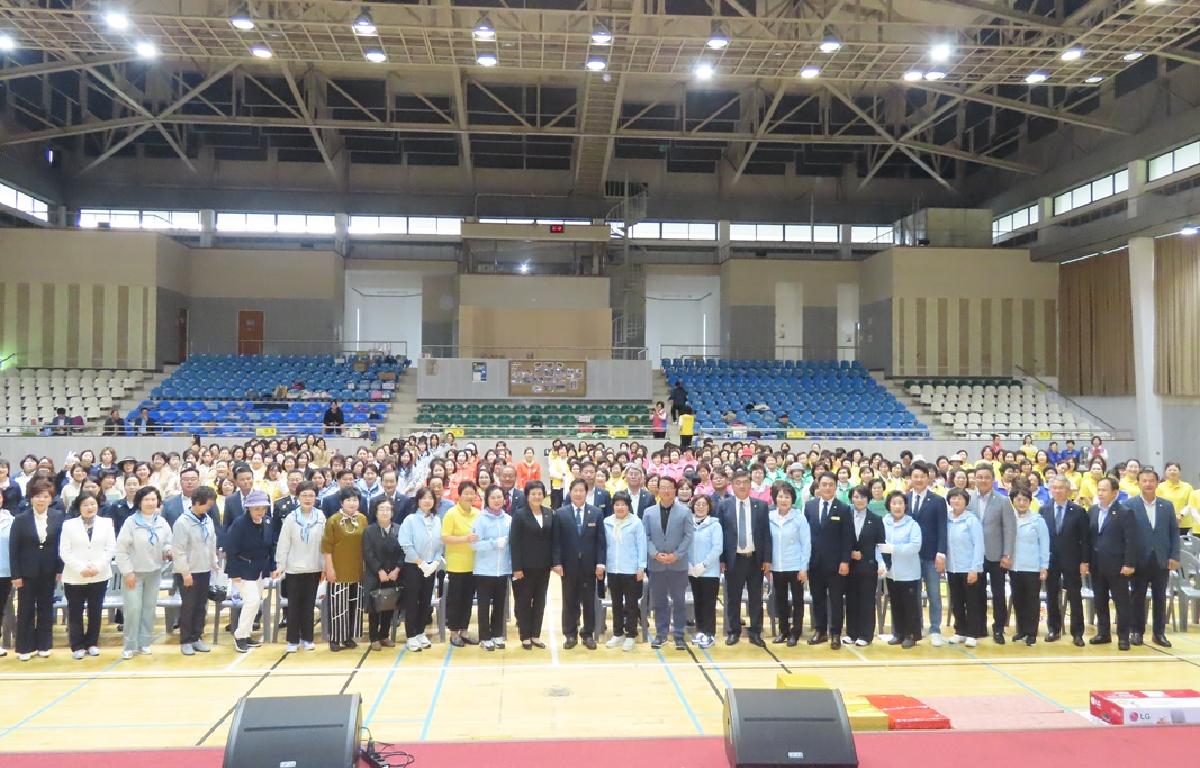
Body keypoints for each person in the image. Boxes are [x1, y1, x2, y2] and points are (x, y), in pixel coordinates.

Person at [9, 478, 66, 660]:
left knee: (45, 608)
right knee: (25, 609)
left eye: (45, 496)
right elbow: (14, 548)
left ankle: (44, 645)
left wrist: (59, 569)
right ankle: (24, 648)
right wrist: (16, 574)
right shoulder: (20, 519)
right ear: (31, 498)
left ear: (51, 498)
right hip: (26, 573)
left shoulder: (58, 516)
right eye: (37, 496)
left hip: (49, 571)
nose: (41, 500)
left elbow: (60, 545)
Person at [114, 486, 172, 659]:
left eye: (153, 499)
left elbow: (168, 542)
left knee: (149, 609)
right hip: (134, 573)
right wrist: (128, 572)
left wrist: (168, 551)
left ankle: (144, 643)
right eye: (146, 499)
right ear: (139, 502)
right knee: (133, 609)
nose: (150, 503)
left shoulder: (162, 522)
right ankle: (129, 645)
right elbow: (121, 550)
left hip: (154, 572)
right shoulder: (131, 522)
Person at [59, 491, 116, 659]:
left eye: (93, 504)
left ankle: (92, 643)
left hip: (99, 575)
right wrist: (81, 568)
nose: (89, 507)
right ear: (79, 507)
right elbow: (64, 551)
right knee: (75, 611)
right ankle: (77, 645)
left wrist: (97, 566)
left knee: (95, 610)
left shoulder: (107, 523)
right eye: (85, 504)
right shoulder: (69, 525)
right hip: (75, 576)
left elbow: (111, 548)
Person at [1127, 468, 1180, 647]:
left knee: (1160, 597)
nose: (1148, 484)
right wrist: (1128, 560)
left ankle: (1159, 633)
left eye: (1151, 481)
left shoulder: (1167, 505)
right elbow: (1126, 535)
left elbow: (1174, 532)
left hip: (1161, 559)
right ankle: (1137, 632)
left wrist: (1174, 555)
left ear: (1158, 483)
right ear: (1139, 483)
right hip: (1139, 560)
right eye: (1144, 481)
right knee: (1137, 597)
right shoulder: (1130, 505)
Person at [718, 469, 771, 646]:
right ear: (732, 486)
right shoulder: (724, 506)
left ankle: (755, 632)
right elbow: (721, 535)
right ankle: (734, 631)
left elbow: (765, 534)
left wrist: (767, 559)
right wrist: (722, 559)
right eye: (738, 483)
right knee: (733, 597)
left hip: (755, 559)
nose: (742, 486)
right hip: (734, 559)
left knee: (756, 598)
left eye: (745, 482)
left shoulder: (761, 506)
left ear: (750, 485)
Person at [553, 478, 605, 649]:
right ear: (570, 492)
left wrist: (600, 564)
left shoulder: (596, 513)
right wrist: (557, 563)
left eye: (581, 490)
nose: (578, 493)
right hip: (568, 566)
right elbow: (557, 542)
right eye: (575, 490)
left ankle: (588, 633)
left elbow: (600, 542)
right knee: (569, 601)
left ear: (586, 492)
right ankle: (570, 634)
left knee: (589, 601)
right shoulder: (561, 513)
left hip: (590, 566)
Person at [274, 480, 325, 652]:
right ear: (298, 497)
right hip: (293, 568)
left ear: (316, 498)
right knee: (294, 606)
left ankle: (308, 638)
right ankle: (293, 640)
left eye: (311, 495)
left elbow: (324, 544)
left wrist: (324, 566)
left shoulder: (321, 517)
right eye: (304, 495)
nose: (307, 498)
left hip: (314, 568)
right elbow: (283, 543)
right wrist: (280, 565)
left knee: (309, 606)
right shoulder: (290, 518)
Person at [804, 471, 853, 649]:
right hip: (815, 563)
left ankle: (835, 633)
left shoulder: (844, 508)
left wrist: (845, 561)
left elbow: (848, 538)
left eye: (830, 485)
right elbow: (805, 535)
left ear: (835, 486)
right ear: (819, 486)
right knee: (817, 598)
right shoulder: (809, 506)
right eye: (824, 484)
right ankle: (820, 631)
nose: (827, 488)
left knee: (836, 600)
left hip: (836, 564)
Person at [1089, 476, 1139, 651]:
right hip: (1097, 565)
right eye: (1099, 489)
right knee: (1100, 601)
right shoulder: (1093, 510)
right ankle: (1103, 633)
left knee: (1121, 603)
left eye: (1104, 490)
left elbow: (1131, 541)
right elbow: (1091, 538)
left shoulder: (1125, 512)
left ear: (1115, 493)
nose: (1100, 493)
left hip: (1118, 566)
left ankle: (1124, 637)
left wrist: (1129, 563)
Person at [644, 475, 693, 651]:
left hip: (677, 564)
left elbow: (689, 535)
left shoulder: (685, 512)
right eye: (662, 487)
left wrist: (676, 555)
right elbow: (646, 536)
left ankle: (679, 635)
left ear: (674, 490)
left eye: (669, 487)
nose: (665, 491)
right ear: (658, 490)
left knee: (679, 601)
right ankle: (661, 634)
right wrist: (655, 554)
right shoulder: (648, 512)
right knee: (659, 602)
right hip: (656, 564)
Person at [968, 464, 1015, 645]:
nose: (983, 480)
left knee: (998, 594)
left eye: (986, 477)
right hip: (975, 556)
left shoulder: (1003, 500)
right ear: (975, 479)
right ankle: (979, 627)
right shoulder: (969, 499)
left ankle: (998, 628)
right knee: (976, 594)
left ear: (993, 479)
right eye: (979, 477)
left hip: (996, 555)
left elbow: (1009, 529)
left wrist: (1007, 554)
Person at [224, 490, 274, 653]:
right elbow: (231, 549)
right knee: (252, 601)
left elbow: (269, 546)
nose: (260, 511)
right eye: (256, 508)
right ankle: (239, 636)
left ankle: (246, 635)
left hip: (260, 570)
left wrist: (272, 567)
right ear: (249, 508)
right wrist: (234, 573)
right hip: (242, 569)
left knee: (254, 603)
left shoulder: (267, 521)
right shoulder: (239, 524)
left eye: (263, 508)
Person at [1041, 477, 1089, 646]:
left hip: (1073, 560)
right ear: (1050, 490)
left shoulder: (1078, 511)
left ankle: (1077, 633)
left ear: (1068, 490)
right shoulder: (1043, 510)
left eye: (1061, 488)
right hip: (1051, 561)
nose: (1058, 491)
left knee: (1075, 596)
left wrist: (1084, 561)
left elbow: (1085, 539)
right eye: (1054, 488)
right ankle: (1054, 629)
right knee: (1051, 595)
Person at [171, 485, 218, 656]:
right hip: (188, 572)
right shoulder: (183, 522)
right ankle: (185, 640)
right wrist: (185, 573)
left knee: (201, 606)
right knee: (188, 607)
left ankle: (197, 637)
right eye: (208, 504)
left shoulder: (207, 519)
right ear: (197, 502)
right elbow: (178, 550)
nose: (209, 508)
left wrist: (214, 561)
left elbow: (212, 541)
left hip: (204, 569)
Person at [398, 487, 444, 651]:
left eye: (430, 498)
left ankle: (420, 633)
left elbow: (440, 543)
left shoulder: (437, 519)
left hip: (431, 567)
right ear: (418, 501)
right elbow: (405, 543)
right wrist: (420, 563)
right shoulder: (410, 520)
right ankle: (411, 636)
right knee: (412, 601)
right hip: (413, 567)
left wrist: (435, 563)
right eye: (424, 498)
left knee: (426, 601)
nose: (427, 501)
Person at [907, 461, 948, 646]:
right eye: (915, 476)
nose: (918, 479)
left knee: (934, 594)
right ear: (911, 478)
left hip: (931, 556)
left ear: (928, 477)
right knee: (913, 594)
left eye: (922, 476)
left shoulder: (938, 500)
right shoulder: (904, 499)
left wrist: (941, 553)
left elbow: (942, 529)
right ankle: (917, 627)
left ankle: (935, 629)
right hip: (910, 557)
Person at [322, 487, 367, 651]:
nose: (352, 503)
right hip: (338, 570)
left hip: (357, 570)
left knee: (354, 605)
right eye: (349, 500)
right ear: (342, 502)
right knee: (337, 605)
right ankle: (335, 639)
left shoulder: (362, 519)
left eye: (355, 500)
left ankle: (348, 637)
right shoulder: (333, 520)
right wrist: (329, 569)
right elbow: (327, 548)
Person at [510, 480, 554, 650]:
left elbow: (553, 540)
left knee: (540, 601)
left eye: (540, 493)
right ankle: (525, 636)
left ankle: (535, 634)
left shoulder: (550, 513)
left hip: (544, 567)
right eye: (533, 493)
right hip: (524, 568)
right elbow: (515, 543)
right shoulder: (520, 515)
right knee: (524, 601)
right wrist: (517, 568)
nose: (537, 496)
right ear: (527, 496)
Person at [602, 492, 647, 651]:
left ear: (628, 506)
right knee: (616, 603)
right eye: (617, 504)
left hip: (631, 570)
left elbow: (642, 546)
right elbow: (604, 546)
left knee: (631, 604)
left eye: (623, 504)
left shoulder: (636, 523)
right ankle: (618, 633)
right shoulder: (606, 522)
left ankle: (631, 635)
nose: (620, 507)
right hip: (613, 569)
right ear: (613, 506)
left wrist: (641, 567)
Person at [471, 486, 513, 651]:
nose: (497, 500)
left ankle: (497, 634)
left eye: (499, 497)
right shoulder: (481, 520)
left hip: (502, 570)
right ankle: (484, 637)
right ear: (487, 499)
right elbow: (473, 544)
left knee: (500, 604)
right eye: (493, 497)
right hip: (484, 570)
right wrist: (493, 544)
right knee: (483, 605)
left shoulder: (509, 519)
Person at [768, 484, 810, 646]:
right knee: (780, 600)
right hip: (777, 566)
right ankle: (783, 631)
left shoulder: (799, 518)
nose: (783, 500)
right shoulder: (770, 517)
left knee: (798, 601)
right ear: (775, 498)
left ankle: (795, 633)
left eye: (787, 497)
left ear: (792, 499)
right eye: (780, 496)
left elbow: (806, 544)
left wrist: (803, 567)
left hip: (795, 566)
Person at [879, 491, 922, 649]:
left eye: (900, 503)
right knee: (896, 604)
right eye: (894, 503)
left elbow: (915, 546)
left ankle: (911, 635)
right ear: (889, 505)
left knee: (910, 605)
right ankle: (898, 633)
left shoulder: (912, 524)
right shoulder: (884, 522)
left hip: (909, 573)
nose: (897, 506)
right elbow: (879, 544)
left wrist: (893, 548)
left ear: (905, 506)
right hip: (891, 573)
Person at [944, 487, 985, 647]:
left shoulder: (972, 520)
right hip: (952, 568)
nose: (956, 501)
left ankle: (972, 633)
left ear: (966, 502)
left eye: (960, 498)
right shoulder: (946, 519)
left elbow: (979, 545)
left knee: (972, 602)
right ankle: (960, 631)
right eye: (953, 498)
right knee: (957, 601)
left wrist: (975, 568)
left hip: (969, 568)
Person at [1009, 487, 1050, 646]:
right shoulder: (1009, 519)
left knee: (1032, 601)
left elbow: (1044, 544)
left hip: (1033, 567)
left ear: (1030, 502)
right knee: (1018, 600)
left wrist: (1043, 566)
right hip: (1015, 567)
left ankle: (1032, 632)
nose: (1021, 503)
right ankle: (1021, 630)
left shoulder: (1038, 520)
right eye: (1018, 500)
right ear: (1013, 501)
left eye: (1025, 500)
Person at [442, 481, 481, 647]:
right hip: (456, 565)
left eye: (472, 493)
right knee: (455, 599)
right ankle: (453, 632)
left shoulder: (478, 514)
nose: (469, 496)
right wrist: (465, 539)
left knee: (467, 599)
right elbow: (444, 538)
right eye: (466, 493)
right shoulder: (451, 513)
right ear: (459, 495)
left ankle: (464, 630)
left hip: (473, 564)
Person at [845, 485, 885, 647]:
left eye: (862, 497)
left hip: (868, 566)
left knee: (867, 600)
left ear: (868, 499)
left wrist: (880, 563)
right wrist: (849, 553)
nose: (859, 500)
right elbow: (839, 539)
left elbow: (880, 544)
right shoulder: (845, 516)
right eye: (856, 496)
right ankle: (851, 633)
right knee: (851, 599)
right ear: (851, 498)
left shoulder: (876, 519)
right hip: (849, 566)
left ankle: (866, 634)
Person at [362, 498, 404, 651]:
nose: (385, 512)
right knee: (375, 606)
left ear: (392, 512)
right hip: (375, 574)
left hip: (394, 574)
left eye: (388, 509)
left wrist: (397, 569)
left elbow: (403, 551)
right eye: (381, 509)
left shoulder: (399, 529)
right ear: (376, 511)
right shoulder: (369, 530)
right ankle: (374, 637)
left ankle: (384, 635)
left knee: (389, 604)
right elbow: (368, 553)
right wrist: (379, 570)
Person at [687, 493, 723, 649]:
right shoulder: (689, 524)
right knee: (698, 603)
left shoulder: (715, 525)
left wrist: (703, 565)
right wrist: (689, 565)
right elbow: (685, 545)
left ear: (709, 507)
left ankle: (709, 634)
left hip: (709, 572)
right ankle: (700, 631)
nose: (700, 507)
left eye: (704, 504)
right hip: (693, 571)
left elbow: (717, 548)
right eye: (697, 504)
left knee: (709, 604)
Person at [1157, 462, 1194, 536]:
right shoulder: (1159, 487)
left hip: (1184, 524)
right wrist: (1171, 516)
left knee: (1184, 546)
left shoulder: (1187, 487)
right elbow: (1157, 504)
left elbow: (1191, 503)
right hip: (1165, 523)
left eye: (1175, 470)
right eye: (1169, 470)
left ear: (1179, 472)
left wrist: (1181, 515)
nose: (1172, 472)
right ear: (1165, 472)